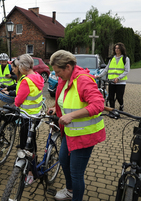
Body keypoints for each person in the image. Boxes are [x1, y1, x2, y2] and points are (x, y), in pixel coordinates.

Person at [48, 50, 106, 201]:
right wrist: (56, 109)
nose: (56, 75)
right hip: (71, 132)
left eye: (58, 71)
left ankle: (75, 196)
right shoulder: (65, 79)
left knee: (76, 172)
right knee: (63, 160)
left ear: (68, 67)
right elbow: (66, 100)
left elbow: (98, 105)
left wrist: (71, 116)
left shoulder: (83, 80)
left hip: (85, 135)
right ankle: (70, 190)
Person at [14, 54, 44, 185]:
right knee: (31, 143)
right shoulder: (37, 76)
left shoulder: (26, 80)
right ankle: (33, 166)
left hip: (27, 116)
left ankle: (30, 172)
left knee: (26, 144)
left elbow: (18, 101)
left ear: (22, 67)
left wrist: (15, 103)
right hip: (36, 115)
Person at [95, 42, 130, 111]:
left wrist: (118, 78)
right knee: (111, 97)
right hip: (111, 82)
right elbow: (106, 69)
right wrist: (99, 76)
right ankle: (112, 111)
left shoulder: (125, 59)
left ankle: (121, 105)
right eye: (115, 48)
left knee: (119, 97)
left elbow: (126, 71)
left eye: (118, 48)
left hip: (121, 82)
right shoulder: (111, 59)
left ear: (121, 49)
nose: (116, 50)